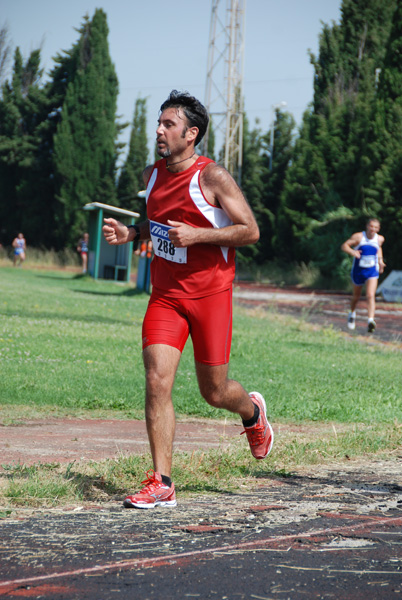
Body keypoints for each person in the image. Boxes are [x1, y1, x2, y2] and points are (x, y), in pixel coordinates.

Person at [103, 90, 274, 509]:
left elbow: (250, 230)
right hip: (166, 297)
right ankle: (162, 482)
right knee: (157, 380)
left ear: (191, 133)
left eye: (168, 125)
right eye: (159, 123)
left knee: (213, 392)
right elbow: (157, 223)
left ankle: (251, 413)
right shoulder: (152, 175)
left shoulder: (212, 177)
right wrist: (133, 234)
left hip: (211, 295)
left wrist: (199, 235)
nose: (159, 131)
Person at [341, 218, 385, 333]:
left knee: (370, 295)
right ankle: (352, 313)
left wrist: (380, 261)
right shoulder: (359, 237)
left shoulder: (380, 238)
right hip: (358, 270)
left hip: (372, 271)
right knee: (356, 296)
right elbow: (344, 246)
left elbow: (378, 248)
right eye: (371, 226)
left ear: (378, 229)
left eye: (375, 227)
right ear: (367, 226)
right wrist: (353, 252)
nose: (373, 229)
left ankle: (370, 320)